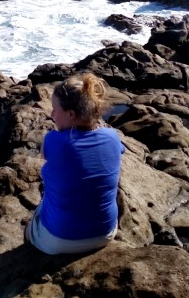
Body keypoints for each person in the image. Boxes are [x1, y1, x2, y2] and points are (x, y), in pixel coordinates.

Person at [26, 73, 125, 255]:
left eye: (55, 109)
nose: (52, 114)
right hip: (105, 234)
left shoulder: (54, 141)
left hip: (59, 241)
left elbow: (44, 156)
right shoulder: (112, 137)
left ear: (71, 114)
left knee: (36, 216)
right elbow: (119, 150)